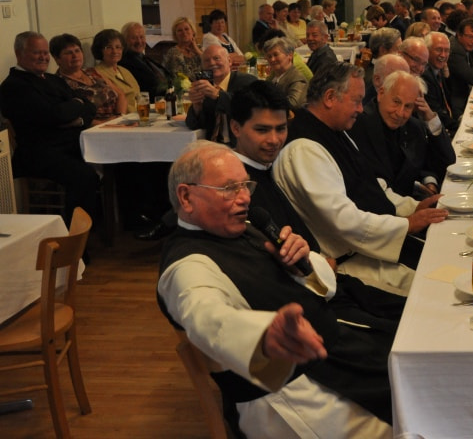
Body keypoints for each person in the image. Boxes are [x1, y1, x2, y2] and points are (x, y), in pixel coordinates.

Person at [156, 141, 395, 438]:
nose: (245, 198)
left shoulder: (245, 227)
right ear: (186, 196)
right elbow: (204, 313)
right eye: (230, 188)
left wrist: (301, 265)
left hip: (335, 356)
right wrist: (263, 336)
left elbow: (322, 286)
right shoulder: (186, 266)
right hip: (292, 394)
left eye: (245, 185)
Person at [276, 62, 448, 295]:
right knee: (436, 288)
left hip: (373, 244)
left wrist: (413, 206)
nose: (360, 108)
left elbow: (370, 184)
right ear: (330, 97)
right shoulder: (304, 149)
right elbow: (343, 220)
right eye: (356, 101)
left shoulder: (337, 131)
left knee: (443, 259)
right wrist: (407, 224)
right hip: (351, 262)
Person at [0, 31, 99, 223]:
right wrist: (75, 104)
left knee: (115, 162)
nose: (43, 57)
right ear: (19, 54)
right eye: (37, 52)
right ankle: (75, 233)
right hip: (39, 152)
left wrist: (77, 118)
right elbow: (54, 116)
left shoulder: (53, 80)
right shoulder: (13, 86)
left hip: (68, 144)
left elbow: (90, 106)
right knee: (84, 176)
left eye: (45, 53)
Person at [349, 70, 454, 198]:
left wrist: (430, 118)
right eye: (396, 102)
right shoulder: (356, 123)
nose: (400, 113)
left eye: (408, 106)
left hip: (411, 202)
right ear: (381, 94)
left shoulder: (414, 127)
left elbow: (447, 163)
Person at [186, 44, 255, 144]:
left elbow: (246, 109)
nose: (212, 63)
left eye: (216, 58)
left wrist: (217, 94)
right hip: (212, 146)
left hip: (241, 145)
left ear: (229, 61)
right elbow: (193, 125)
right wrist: (197, 106)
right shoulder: (205, 86)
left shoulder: (246, 81)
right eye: (207, 60)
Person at [51, 33, 126, 124]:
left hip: (118, 122)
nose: (75, 56)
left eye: (77, 50)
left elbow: (120, 94)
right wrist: (106, 124)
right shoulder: (58, 83)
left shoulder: (92, 72)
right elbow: (72, 119)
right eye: (68, 53)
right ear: (57, 59)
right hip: (95, 128)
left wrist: (120, 118)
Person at [91, 28, 140, 113]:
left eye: (118, 47)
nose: (115, 51)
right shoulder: (97, 73)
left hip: (140, 112)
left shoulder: (124, 70)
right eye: (109, 47)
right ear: (100, 50)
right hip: (124, 116)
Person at [120, 21, 170, 98]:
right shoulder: (125, 61)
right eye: (134, 38)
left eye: (141, 37)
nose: (139, 41)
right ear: (124, 40)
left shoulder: (142, 57)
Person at [421, 31, 457, 135]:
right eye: (438, 50)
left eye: (447, 51)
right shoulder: (425, 75)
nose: (443, 55)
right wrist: (458, 125)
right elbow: (436, 111)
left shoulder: (438, 69)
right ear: (427, 51)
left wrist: (447, 76)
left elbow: (449, 99)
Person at [264, 34, 308, 112]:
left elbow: (293, 104)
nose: (272, 59)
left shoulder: (298, 79)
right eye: (269, 56)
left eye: (276, 54)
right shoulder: (273, 76)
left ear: (290, 56)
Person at [163, 17, 205, 81]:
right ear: (175, 34)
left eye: (186, 29)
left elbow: (210, 67)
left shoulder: (201, 49)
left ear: (193, 31)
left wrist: (197, 51)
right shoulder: (172, 53)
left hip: (203, 85)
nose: (184, 32)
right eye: (180, 30)